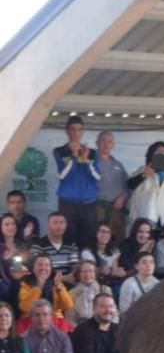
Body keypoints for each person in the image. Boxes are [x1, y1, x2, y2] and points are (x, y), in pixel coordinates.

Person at [52, 116, 100, 246]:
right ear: (67, 131)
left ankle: (87, 265)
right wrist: (73, 155)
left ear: (83, 132)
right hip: (68, 203)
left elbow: (97, 177)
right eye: (73, 129)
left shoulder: (92, 153)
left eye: (79, 129)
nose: (76, 133)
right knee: (68, 237)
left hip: (88, 202)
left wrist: (85, 160)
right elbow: (62, 175)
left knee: (89, 238)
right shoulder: (60, 151)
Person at [18, 254, 73, 334]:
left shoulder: (56, 282)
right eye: (39, 265)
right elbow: (25, 307)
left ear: (51, 269)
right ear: (33, 268)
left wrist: (59, 287)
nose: (43, 268)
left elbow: (68, 305)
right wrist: (38, 287)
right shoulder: (25, 284)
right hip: (32, 320)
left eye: (47, 265)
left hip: (55, 321)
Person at [93, 131, 129, 239]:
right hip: (96, 208)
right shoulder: (90, 161)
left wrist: (123, 197)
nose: (106, 144)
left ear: (113, 145)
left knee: (116, 240)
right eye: (103, 141)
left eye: (109, 141)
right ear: (97, 143)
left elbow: (127, 185)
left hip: (116, 209)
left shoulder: (118, 165)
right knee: (96, 238)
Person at [31, 212, 80, 282]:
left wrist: (72, 276)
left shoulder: (71, 244)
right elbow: (39, 270)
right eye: (55, 222)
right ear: (48, 225)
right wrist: (63, 278)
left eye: (62, 222)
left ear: (66, 225)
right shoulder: (38, 245)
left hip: (69, 282)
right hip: (47, 283)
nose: (59, 226)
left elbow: (74, 266)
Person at [67, 260, 114, 326]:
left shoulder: (105, 290)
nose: (87, 274)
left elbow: (114, 313)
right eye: (84, 271)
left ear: (95, 273)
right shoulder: (71, 293)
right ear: (79, 274)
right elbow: (70, 318)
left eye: (91, 271)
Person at [82, 222, 126, 288]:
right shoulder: (87, 252)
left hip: (110, 284)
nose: (105, 234)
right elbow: (90, 272)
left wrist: (119, 272)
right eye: (102, 231)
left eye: (108, 232)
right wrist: (102, 270)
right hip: (92, 284)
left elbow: (114, 271)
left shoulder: (114, 251)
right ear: (96, 233)